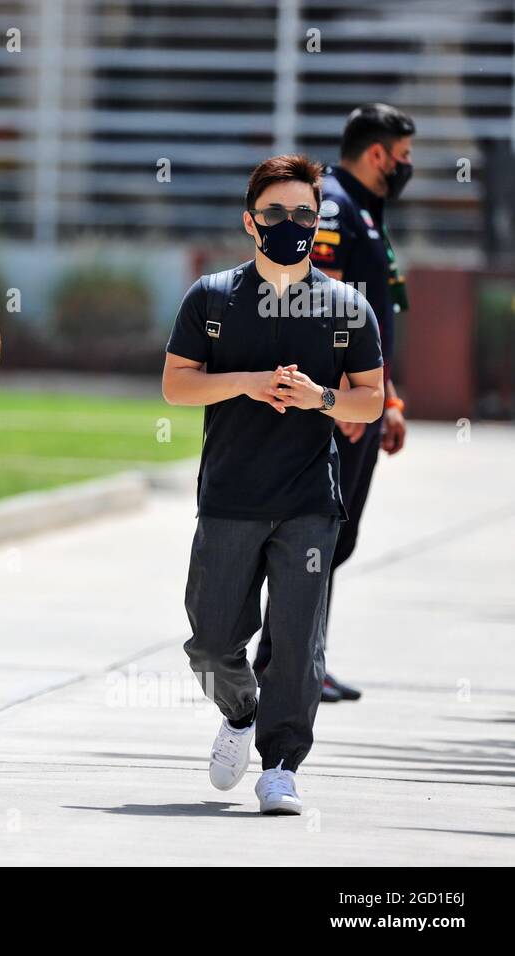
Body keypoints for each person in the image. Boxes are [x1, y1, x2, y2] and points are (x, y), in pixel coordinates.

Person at [163, 154, 384, 814]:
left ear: (318, 223)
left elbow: (369, 401)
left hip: (309, 503)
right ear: (250, 220)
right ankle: (238, 714)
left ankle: (281, 763)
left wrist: (322, 398)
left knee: (296, 643)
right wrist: (247, 383)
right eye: (277, 213)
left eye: (304, 215)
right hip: (229, 496)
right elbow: (176, 384)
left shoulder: (348, 308)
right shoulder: (212, 297)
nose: (292, 225)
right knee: (209, 641)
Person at [254, 104, 415, 703]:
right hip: (334, 410)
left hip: (360, 404)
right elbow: (316, 308)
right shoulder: (335, 209)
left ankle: (302, 659)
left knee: (333, 543)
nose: (407, 168)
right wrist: (337, 402)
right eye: (402, 157)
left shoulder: (367, 211)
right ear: (377, 154)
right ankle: (283, 664)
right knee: (313, 541)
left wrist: (387, 399)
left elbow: (373, 325)